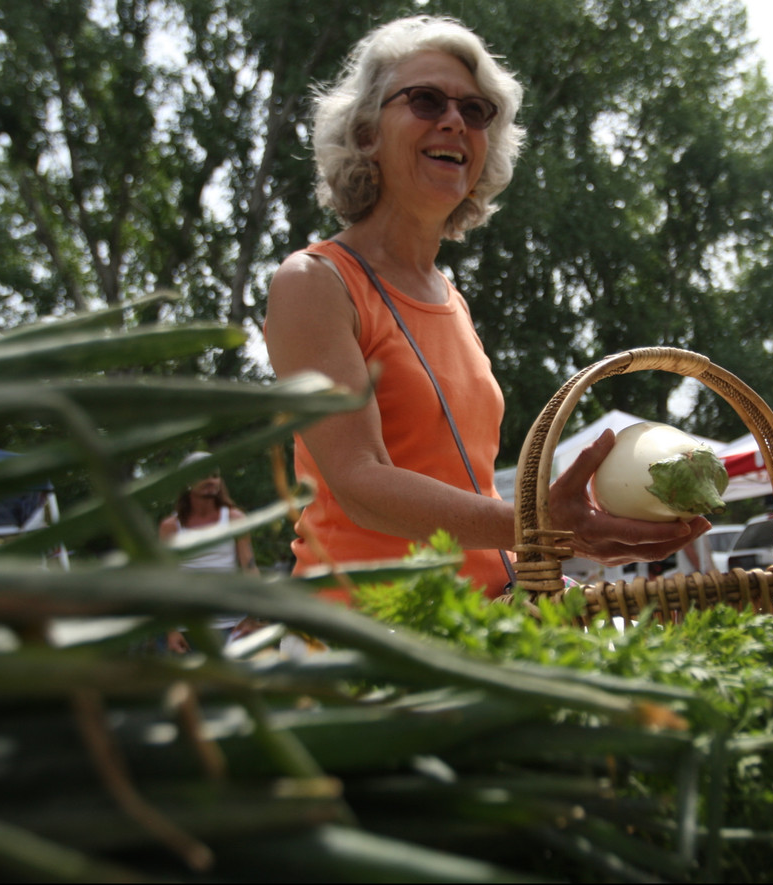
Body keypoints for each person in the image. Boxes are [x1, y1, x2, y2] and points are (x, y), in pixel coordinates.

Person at [263, 15, 705, 600]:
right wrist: (543, 527)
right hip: (370, 643)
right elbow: (359, 486)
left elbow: (468, 490)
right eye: (425, 100)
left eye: (475, 112)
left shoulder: (453, 302)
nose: (454, 120)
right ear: (366, 132)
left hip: (482, 632)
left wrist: (533, 572)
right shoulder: (313, 282)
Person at [158, 452, 259, 652]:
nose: (210, 480)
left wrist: (252, 618)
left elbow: (250, 568)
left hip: (229, 625)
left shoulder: (234, 519)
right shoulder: (170, 527)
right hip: (187, 628)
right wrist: (170, 630)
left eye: (214, 475)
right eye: (202, 475)